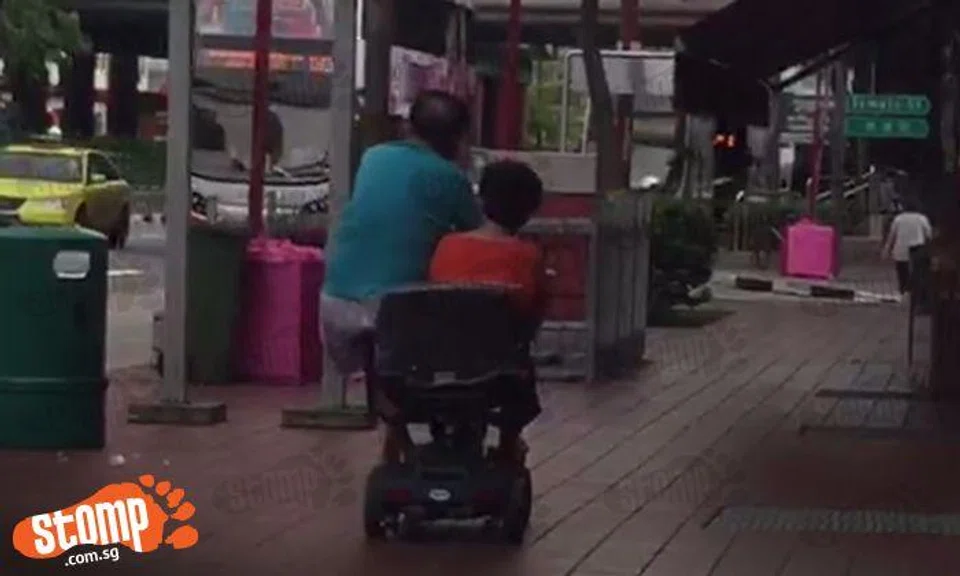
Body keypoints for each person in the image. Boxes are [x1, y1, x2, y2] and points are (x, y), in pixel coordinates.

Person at [320, 90, 482, 462]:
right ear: (459, 138)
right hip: (397, 311)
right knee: (454, 346)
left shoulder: (374, 158)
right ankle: (445, 441)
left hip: (335, 304)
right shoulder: (451, 178)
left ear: (409, 127)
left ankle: (398, 442)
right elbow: (479, 237)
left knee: (389, 357)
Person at [428, 159, 547, 465]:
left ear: (482, 200)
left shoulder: (447, 246)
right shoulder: (528, 256)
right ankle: (508, 444)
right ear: (529, 210)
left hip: (438, 363)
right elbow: (531, 316)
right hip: (500, 370)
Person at [883, 196, 932, 295]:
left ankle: (903, 291)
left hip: (900, 251)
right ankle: (915, 292)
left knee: (902, 273)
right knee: (917, 273)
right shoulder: (922, 218)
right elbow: (928, 235)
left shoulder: (898, 219)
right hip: (918, 250)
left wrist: (886, 250)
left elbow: (892, 236)